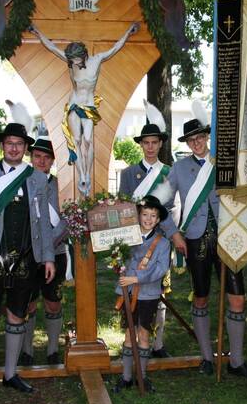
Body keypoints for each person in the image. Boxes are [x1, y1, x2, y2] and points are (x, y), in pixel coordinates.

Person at [165, 112, 247, 378]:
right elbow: (162, 203)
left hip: (229, 238)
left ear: (208, 137)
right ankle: (207, 357)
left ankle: (237, 361)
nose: (197, 143)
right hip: (195, 241)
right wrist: (174, 234)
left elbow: (243, 196)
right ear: (186, 143)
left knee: (238, 298)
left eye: (200, 137)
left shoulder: (224, 162)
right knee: (201, 296)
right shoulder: (178, 168)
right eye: (191, 140)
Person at [0, 123, 56, 400]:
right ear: (2, 146)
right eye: (9, 143)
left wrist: (49, 258)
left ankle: (10, 374)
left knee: (17, 315)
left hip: (26, 259)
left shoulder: (37, 178)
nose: (14, 148)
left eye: (19, 144)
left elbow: (43, 225)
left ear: (25, 147)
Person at [29, 21, 139, 196]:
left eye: (76, 60)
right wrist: (37, 32)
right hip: (74, 103)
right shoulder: (71, 61)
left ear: (84, 55)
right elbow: (51, 47)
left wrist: (128, 32)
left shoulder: (97, 60)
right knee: (77, 140)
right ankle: (83, 177)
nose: (74, 63)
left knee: (88, 140)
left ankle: (87, 172)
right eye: (71, 60)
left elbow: (116, 48)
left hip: (88, 105)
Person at [118, 103, 185, 357]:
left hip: (158, 241)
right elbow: (125, 209)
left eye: (154, 142)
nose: (150, 147)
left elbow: (169, 210)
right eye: (146, 142)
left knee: (158, 288)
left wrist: (172, 234)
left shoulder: (168, 173)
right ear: (141, 145)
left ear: (160, 144)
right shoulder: (128, 174)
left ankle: (157, 343)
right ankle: (131, 338)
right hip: (134, 242)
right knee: (132, 288)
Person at [112, 195, 172, 393]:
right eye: (144, 214)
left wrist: (136, 278)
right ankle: (127, 376)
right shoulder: (127, 237)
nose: (148, 219)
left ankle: (142, 377)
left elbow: (160, 269)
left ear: (158, 219)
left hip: (148, 293)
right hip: (128, 293)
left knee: (144, 333)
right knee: (129, 333)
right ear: (138, 216)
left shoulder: (162, 243)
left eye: (153, 216)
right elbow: (118, 259)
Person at [19, 137, 69, 366]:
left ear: (52, 160)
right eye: (37, 156)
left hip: (56, 251)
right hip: (28, 253)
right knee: (28, 303)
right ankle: (27, 350)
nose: (41, 160)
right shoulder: (21, 183)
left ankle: (52, 349)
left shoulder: (62, 185)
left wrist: (51, 241)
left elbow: (69, 217)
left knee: (53, 302)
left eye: (46, 157)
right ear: (31, 158)